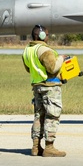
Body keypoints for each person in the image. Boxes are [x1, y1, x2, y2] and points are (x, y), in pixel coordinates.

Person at [22, 24, 67, 157]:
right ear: (41, 36)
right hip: (50, 87)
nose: (48, 37)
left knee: (38, 116)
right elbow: (52, 68)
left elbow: (28, 69)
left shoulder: (27, 50)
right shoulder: (44, 50)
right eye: (47, 35)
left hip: (37, 87)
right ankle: (49, 147)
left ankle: (36, 147)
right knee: (52, 115)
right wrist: (61, 59)